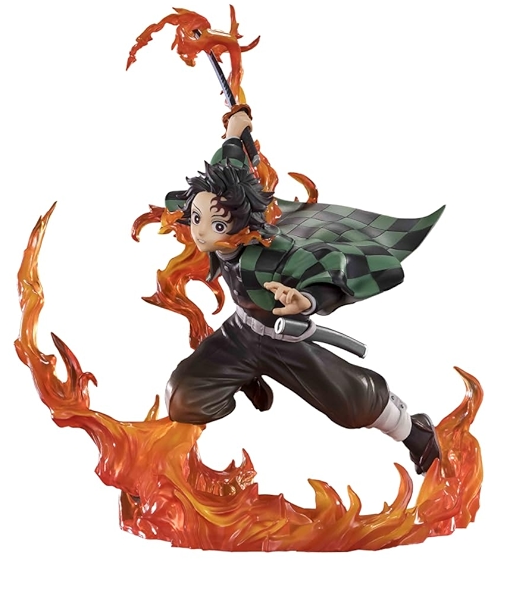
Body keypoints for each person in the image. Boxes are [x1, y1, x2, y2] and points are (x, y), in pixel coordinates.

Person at [160, 105, 447, 473]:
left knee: (353, 402)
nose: (200, 232)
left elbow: (327, 271)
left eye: (216, 225)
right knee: (183, 397)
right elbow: (230, 165)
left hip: (284, 341)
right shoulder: (221, 204)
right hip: (241, 332)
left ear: (243, 224)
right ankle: (242, 376)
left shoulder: (273, 255)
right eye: (197, 218)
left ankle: (415, 432)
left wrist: (306, 300)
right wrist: (235, 129)